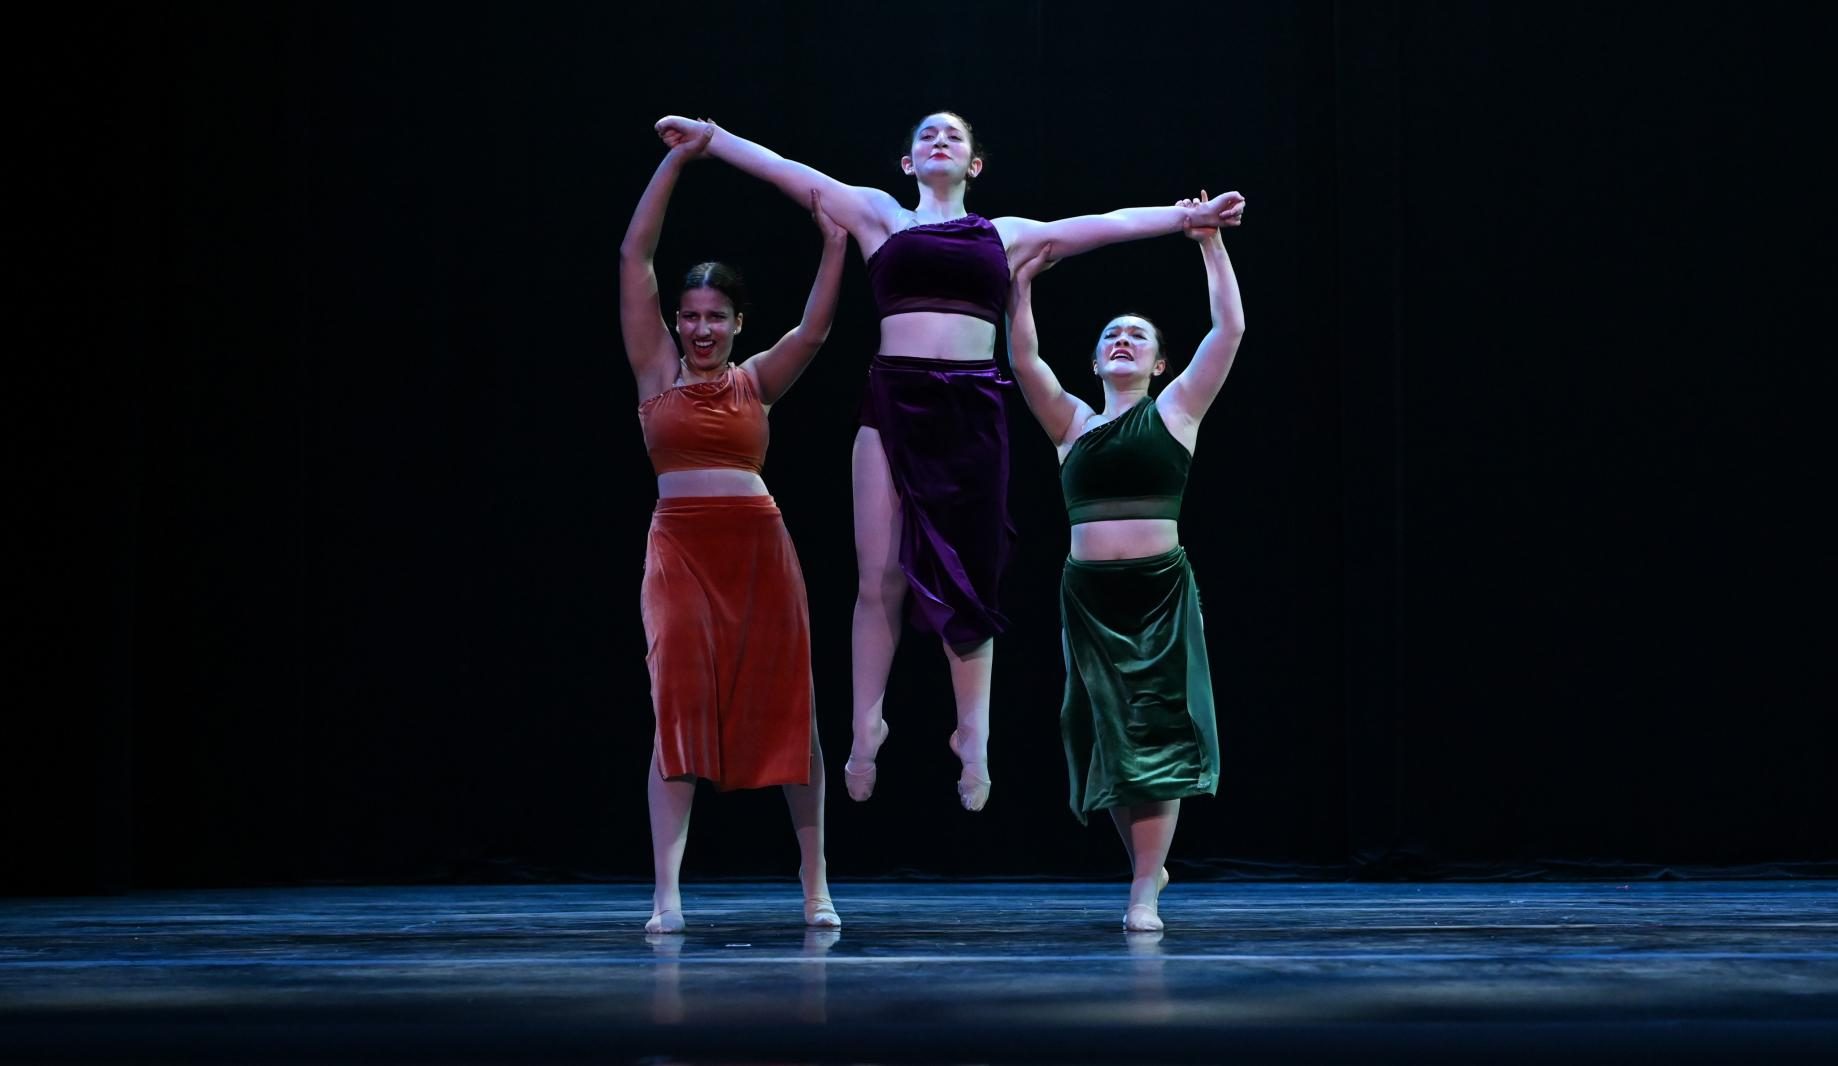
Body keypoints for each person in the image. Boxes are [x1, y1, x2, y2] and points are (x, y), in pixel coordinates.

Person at [653, 112, 1246, 813]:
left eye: (955, 137)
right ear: (907, 164)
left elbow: (1105, 222)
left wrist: (1188, 219)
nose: (939, 140)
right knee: (879, 573)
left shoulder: (1006, 235)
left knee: (971, 579)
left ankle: (974, 736)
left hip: (971, 408)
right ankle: (865, 725)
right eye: (926, 135)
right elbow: (795, 176)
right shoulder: (879, 216)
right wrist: (713, 141)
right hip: (893, 399)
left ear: (975, 167)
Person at [618, 127, 849, 933]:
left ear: (738, 322)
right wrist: (679, 160)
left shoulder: (756, 382)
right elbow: (632, 259)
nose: (701, 329)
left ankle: (815, 881)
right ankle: (667, 893)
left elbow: (815, 333)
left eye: (716, 316)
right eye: (691, 316)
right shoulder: (655, 372)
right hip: (679, 549)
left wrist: (831, 245)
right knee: (674, 704)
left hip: (758, 548)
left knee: (792, 710)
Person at [1005, 193, 1247, 931]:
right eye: (1110, 334)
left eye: (1137, 336)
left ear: (1159, 360)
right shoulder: (1071, 422)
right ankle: (1146, 865)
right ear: (1093, 357)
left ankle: (1144, 889)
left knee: (1161, 732)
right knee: (1109, 736)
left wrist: (1207, 241)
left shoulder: (1175, 411)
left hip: (1159, 591)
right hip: (1090, 597)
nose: (1121, 341)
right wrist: (1017, 286)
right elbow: (1020, 356)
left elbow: (1230, 330)